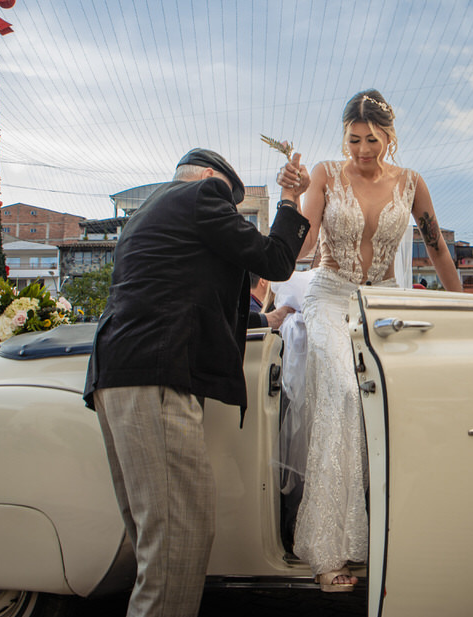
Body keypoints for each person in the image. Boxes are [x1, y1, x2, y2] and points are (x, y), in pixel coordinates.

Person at [83, 148, 310, 617]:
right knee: (178, 540)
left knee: (156, 541)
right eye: (233, 203)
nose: (231, 214)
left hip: (119, 375)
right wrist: (289, 199)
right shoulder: (201, 195)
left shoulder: (150, 211)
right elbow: (276, 260)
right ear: (209, 177)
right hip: (156, 377)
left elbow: (188, 288)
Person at [276, 89, 460, 593]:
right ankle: (326, 549)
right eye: (353, 139)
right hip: (331, 297)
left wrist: (466, 307)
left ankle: (394, 532)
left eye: (371, 139)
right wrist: (290, 198)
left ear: (389, 137)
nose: (361, 149)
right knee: (341, 394)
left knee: (402, 404)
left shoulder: (413, 183)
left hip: (383, 304)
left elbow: (438, 248)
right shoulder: (325, 174)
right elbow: (306, 246)